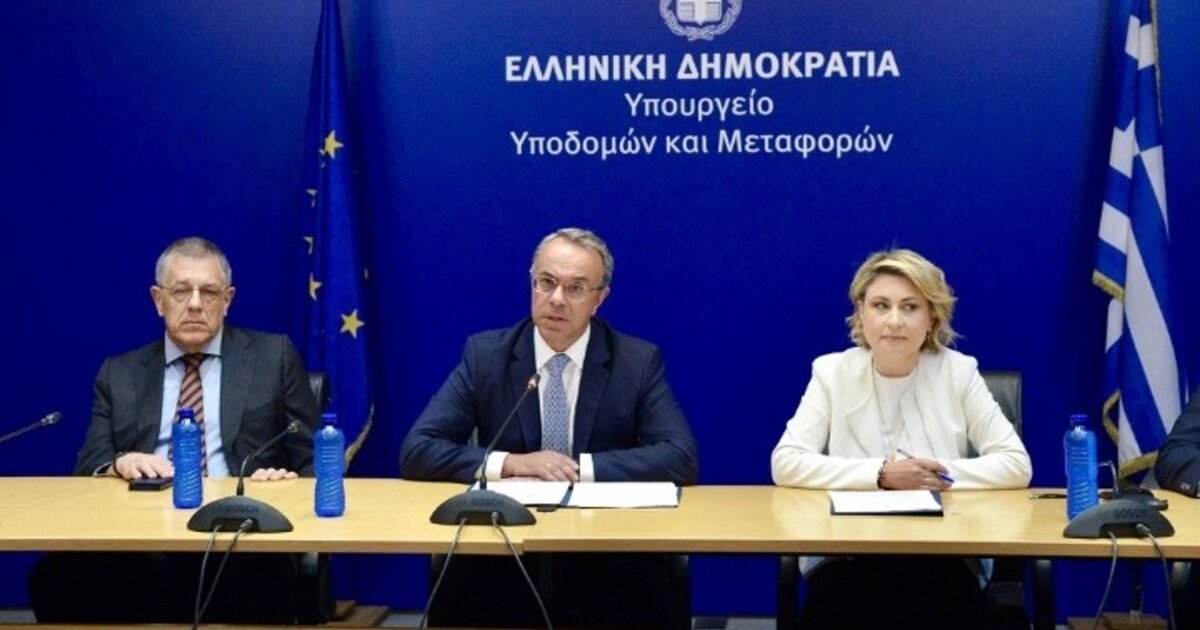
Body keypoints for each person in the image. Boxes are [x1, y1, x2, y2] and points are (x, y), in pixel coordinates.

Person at [401, 227, 698, 628]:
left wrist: (576, 469)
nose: (556, 298)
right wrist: (515, 463)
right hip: (507, 546)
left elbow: (680, 456)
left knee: (639, 586)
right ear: (532, 283)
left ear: (599, 299)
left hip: (606, 547)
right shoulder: (487, 356)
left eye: (575, 288)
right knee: (467, 582)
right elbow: (419, 449)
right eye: (546, 282)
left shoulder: (636, 361)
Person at [29, 237, 324, 624]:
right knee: (57, 577)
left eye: (210, 292)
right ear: (158, 300)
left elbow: (314, 460)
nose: (196, 304)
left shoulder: (274, 358)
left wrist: (285, 486)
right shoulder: (120, 373)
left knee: (255, 580)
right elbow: (89, 464)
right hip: (141, 537)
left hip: (239, 535)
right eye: (181, 291)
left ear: (228, 300)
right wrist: (120, 462)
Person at [771, 248, 1032, 629]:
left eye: (910, 307)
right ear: (861, 312)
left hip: (942, 553)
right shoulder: (831, 372)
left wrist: (934, 476)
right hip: (849, 554)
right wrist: (882, 475)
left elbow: (1016, 464)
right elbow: (786, 461)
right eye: (881, 305)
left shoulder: (959, 372)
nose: (894, 321)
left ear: (932, 318)